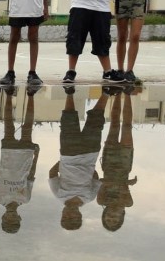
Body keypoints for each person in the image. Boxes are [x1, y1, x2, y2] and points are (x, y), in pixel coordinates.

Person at [49, 85, 109, 230]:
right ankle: (106, 93)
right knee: (95, 122)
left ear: (62, 214)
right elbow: (96, 179)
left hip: (68, 152)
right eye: (73, 218)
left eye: (66, 217)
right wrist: (89, 166)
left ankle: (69, 92)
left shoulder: (59, 195)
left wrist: (63, 161)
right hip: (90, 152)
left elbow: (52, 174)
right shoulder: (89, 197)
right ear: (79, 216)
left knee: (69, 120)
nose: (70, 215)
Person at [0, 86, 40, 234]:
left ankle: (8, 94)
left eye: (8, 220)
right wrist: (36, 156)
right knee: (28, 127)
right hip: (25, 157)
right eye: (14, 220)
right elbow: (31, 177)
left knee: (8, 125)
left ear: (3, 217)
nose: (11, 217)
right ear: (19, 218)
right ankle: (31, 94)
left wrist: (8, 171)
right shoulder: (25, 199)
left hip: (8, 155)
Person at [98, 87, 138, 231]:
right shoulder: (128, 203)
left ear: (104, 215)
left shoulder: (101, 200)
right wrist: (121, 183)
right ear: (121, 217)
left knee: (114, 124)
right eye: (115, 219)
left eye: (108, 218)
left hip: (109, 162)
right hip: (125, 163)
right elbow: (113, 183)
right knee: (127, 126)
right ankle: (127, 93)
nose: (112, 216)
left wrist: (123, 183)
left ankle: (118, 92)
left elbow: (104, 182)